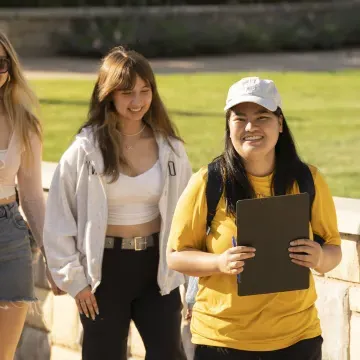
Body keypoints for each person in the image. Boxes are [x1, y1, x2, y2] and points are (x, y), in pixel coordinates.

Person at [167, 76, 342, 360]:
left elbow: (334, 248)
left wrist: (320, 257)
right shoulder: (208, 182)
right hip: (221, 342)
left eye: (262, 117)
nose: (251, 127)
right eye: (240, 118)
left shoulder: (308, 180)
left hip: (297, 339)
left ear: (280, 124)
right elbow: (176, 256)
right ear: (228, 124)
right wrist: (219, 263)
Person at [43, 46, 192, 360]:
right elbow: (59, 219)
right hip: (103, 272)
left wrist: (192, 282)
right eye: (127, 93)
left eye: (144, 91)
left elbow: (188, 217)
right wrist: (75, 281)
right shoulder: (85, 150)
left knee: (169, 353)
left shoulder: (171, 148)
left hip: (156, 269)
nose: (137, 102)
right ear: (107, 94)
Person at [0, 31, 60, 360]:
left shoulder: (25, 123)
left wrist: (54, 257)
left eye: (1, 62)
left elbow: (33, 198)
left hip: (8, 237)